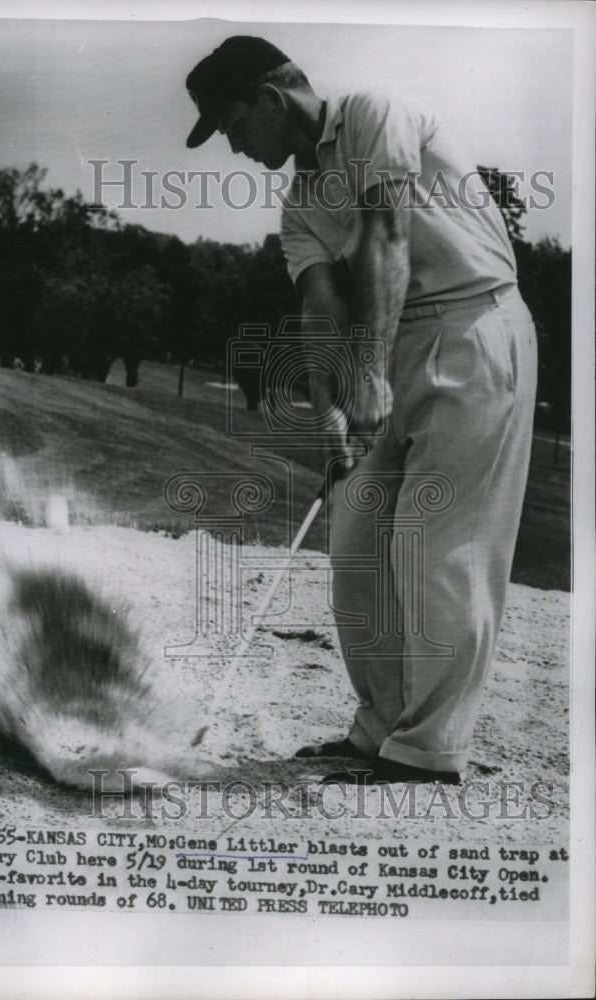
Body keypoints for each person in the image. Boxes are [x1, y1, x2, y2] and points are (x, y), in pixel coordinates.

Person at [184, 36, 538, 785]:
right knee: (355, 547)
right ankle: (379, 730)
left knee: (439, 543)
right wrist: (333, 408)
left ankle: (429, 749)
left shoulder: (376, 113)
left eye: (233, 125)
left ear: (271, 100)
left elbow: (386, 232)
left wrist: (369, 374)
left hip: (473, 326)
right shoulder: (300, 205)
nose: (234, 145)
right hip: (387, 342)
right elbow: (320, 307)